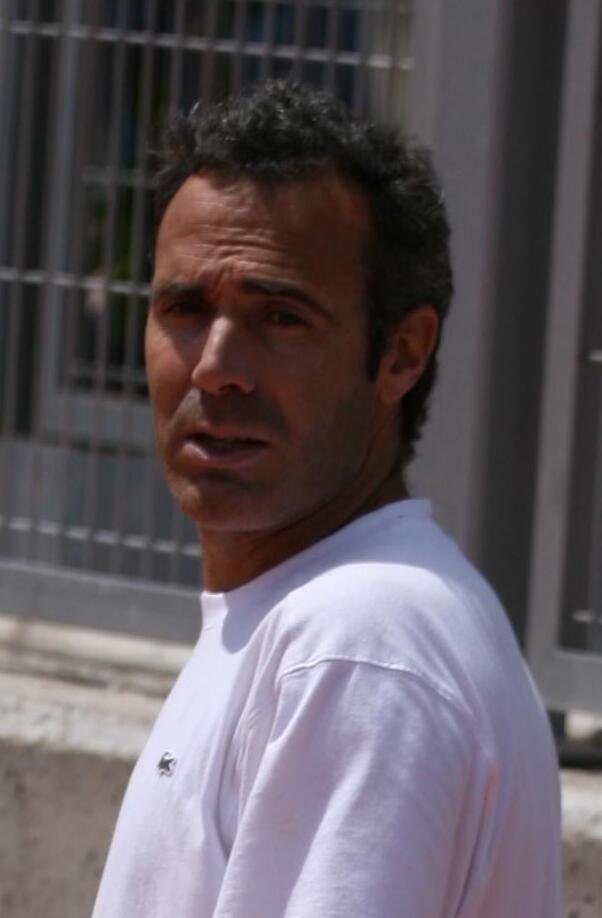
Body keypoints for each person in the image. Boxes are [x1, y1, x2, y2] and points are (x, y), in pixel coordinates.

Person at [92, 81, 562, 917]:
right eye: (185, 308)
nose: (215, 366)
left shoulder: (355, 646)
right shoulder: (311, 616)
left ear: (402, 353)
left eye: (281, 317)